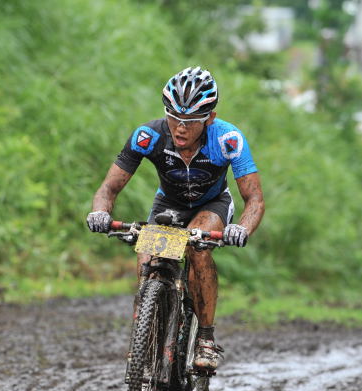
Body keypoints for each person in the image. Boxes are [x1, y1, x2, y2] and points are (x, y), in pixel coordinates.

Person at [86, 67, 265, 371]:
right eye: (173, 117)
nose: (180, 128)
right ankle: (144, 347)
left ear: (209, 117)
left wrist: (241, 228)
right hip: (168, 204)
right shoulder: (149, 136)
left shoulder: (228, 139)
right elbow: (109, 187)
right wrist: (101, 211)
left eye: (190, 121)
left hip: (213, 204)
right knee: (147, 262)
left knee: (197, 245)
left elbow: (255, 199)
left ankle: (206, 337)